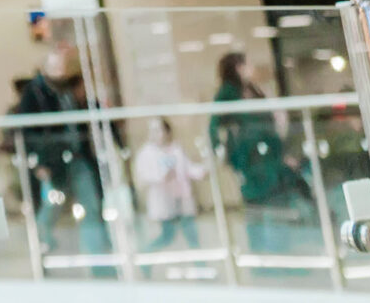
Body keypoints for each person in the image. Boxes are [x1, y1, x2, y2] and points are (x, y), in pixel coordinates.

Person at [212, 50, 312, 254]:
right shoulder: (228, 94)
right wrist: (228, 156)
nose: (252, 69)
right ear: (238, 68)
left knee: (277, 205)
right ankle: (261, 257)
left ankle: (281, 254)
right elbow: (216, 127)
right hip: (250, 161)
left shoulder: (252, 90)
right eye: (247, 64)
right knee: (257, 209)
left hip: (269, 158)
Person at [12, 45, 107, 257]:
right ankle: (41, 244)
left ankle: (97, 253)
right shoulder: (35, 92)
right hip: (54, 161)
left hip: (78, 156)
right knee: (52, 206)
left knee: (90, 204)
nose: (60, 71)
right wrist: (38, 163)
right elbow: (28, 132)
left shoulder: (72, 88)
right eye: (56, 65)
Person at [131, 118, 208, 251]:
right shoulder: (146, 153)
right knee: (168, 236)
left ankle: (200, 266)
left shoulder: (176, 149)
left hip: (181, 199)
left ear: (167, 132)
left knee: (192, 236)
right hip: (164, 201)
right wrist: (161, 177)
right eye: (152, 131)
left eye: (158, 130)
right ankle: (145, 256)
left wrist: (203, 171)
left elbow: (187, 167)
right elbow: (143, 176)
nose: (155, 134)